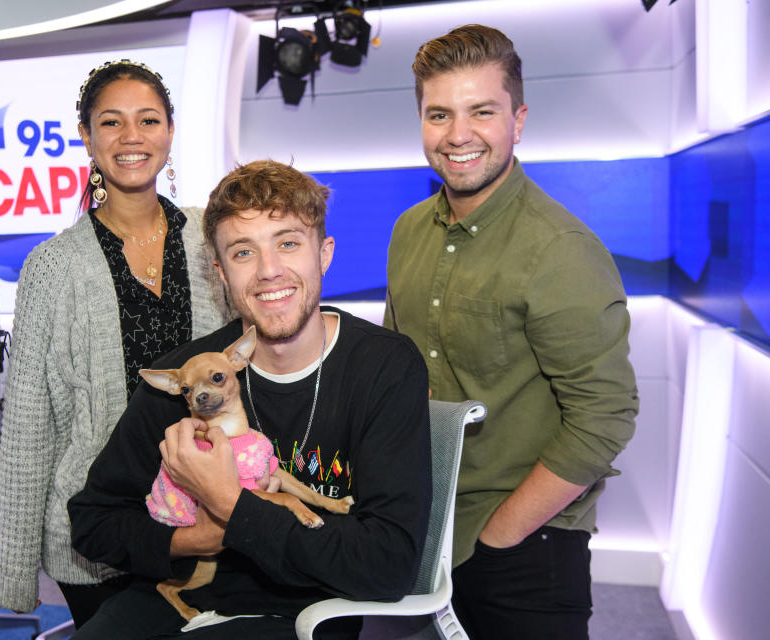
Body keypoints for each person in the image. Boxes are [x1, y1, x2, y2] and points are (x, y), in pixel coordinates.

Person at [67, 160, 432, 639]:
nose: (269, 271)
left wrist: (227, 502)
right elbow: (94, 523)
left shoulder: (383, 366)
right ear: (219, 271)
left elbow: (386, 564)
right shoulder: (190, 375)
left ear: (323, 254)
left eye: (287, 242)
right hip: (180, 598)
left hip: (305, 610)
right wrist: (198, 537)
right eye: (243, 252)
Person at [384, 25, 640, 640]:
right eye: (439, 114)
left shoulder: (560, 249)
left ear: (518, 120)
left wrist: (502, 535)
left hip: (525, 542)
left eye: (482, 111)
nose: (458, 135)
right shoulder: (407, 230)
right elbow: (394, 372)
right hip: (421, 526)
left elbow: (606, 415)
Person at [0, 60, 229, 627]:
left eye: (148, 120)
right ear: (87, 138)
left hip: (206, 515)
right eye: (111, 123)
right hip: (97, 536)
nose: (131, 138)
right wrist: (15, 574)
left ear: (170, 131)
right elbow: (29, 426)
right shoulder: (51, 267)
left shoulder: (211, 241)